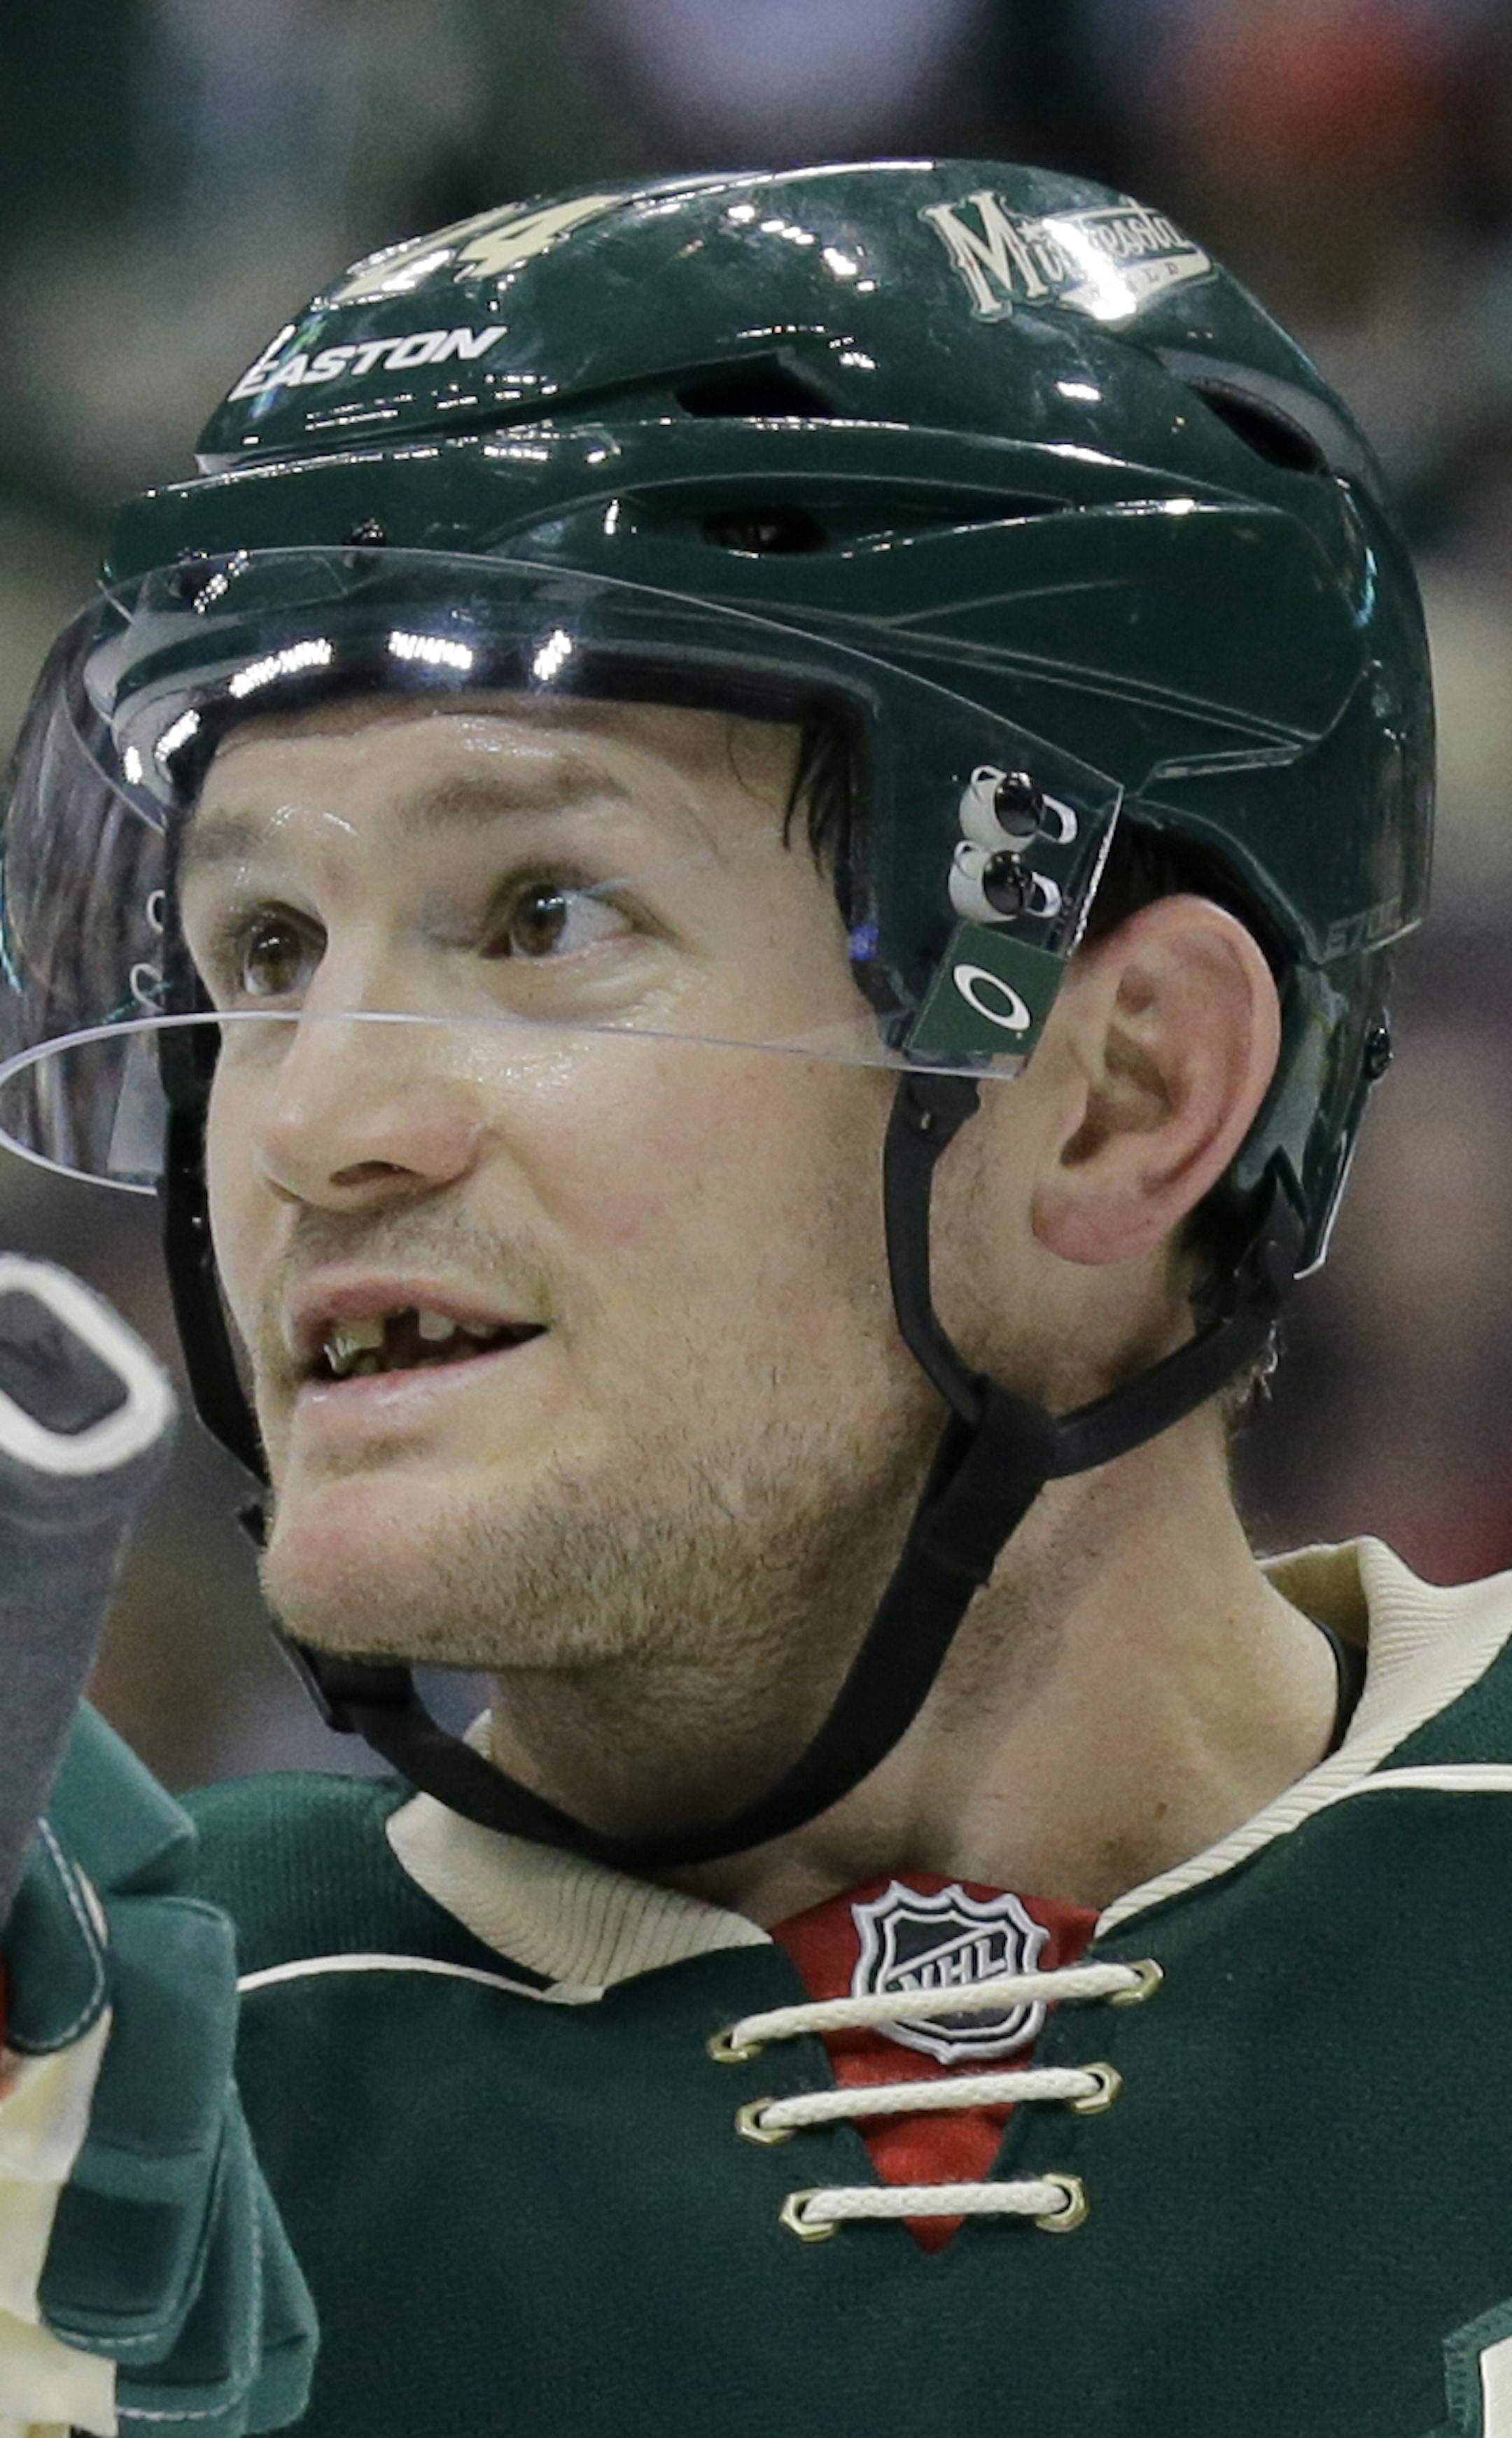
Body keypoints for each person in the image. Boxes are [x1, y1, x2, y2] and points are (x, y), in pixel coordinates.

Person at [0, 158, 1496, 2438]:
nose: (315, 1122)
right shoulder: (86, 2093)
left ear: (1119, 1093)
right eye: (267, 951)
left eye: (539, 915)